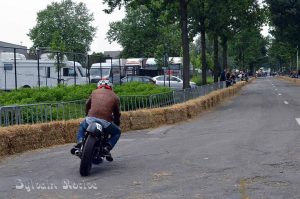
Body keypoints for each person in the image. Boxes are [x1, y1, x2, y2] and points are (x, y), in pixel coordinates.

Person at [71, 80, 121, 162]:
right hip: (105, 122)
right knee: (117, 132)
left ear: (99, 86)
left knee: (82, 126)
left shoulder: (94, 92)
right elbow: (117, 113)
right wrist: (117, 122)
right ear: (110, 87)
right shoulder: (115, 97)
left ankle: (80, 141)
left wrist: (87, 114)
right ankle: (107, 147)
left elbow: (87, 104)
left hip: (90, 119)